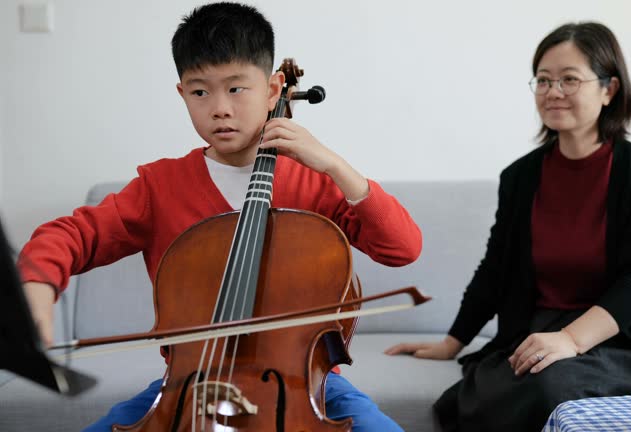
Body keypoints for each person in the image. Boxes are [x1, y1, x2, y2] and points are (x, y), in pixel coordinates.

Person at [17, 2, 421, 431]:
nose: (219, 108)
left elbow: (402, 248)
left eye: (236, 88)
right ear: (182, 94)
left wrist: (336, 166)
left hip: (306, 388)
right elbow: (71, 236)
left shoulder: (315, 182)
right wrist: (36, 290)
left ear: (273, 89)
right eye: (200, 92)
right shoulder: (160, 187)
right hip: (192, 384)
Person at [385, 21, 631, 431]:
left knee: (554, 386)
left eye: (569, 79)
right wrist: (452, 342)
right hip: (539, 334)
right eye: (544, 80)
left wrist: (571, 340)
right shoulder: (520, 177)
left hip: (625, 339)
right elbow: (495, 269)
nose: (553, 92)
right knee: (488, 394)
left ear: (609, 90)